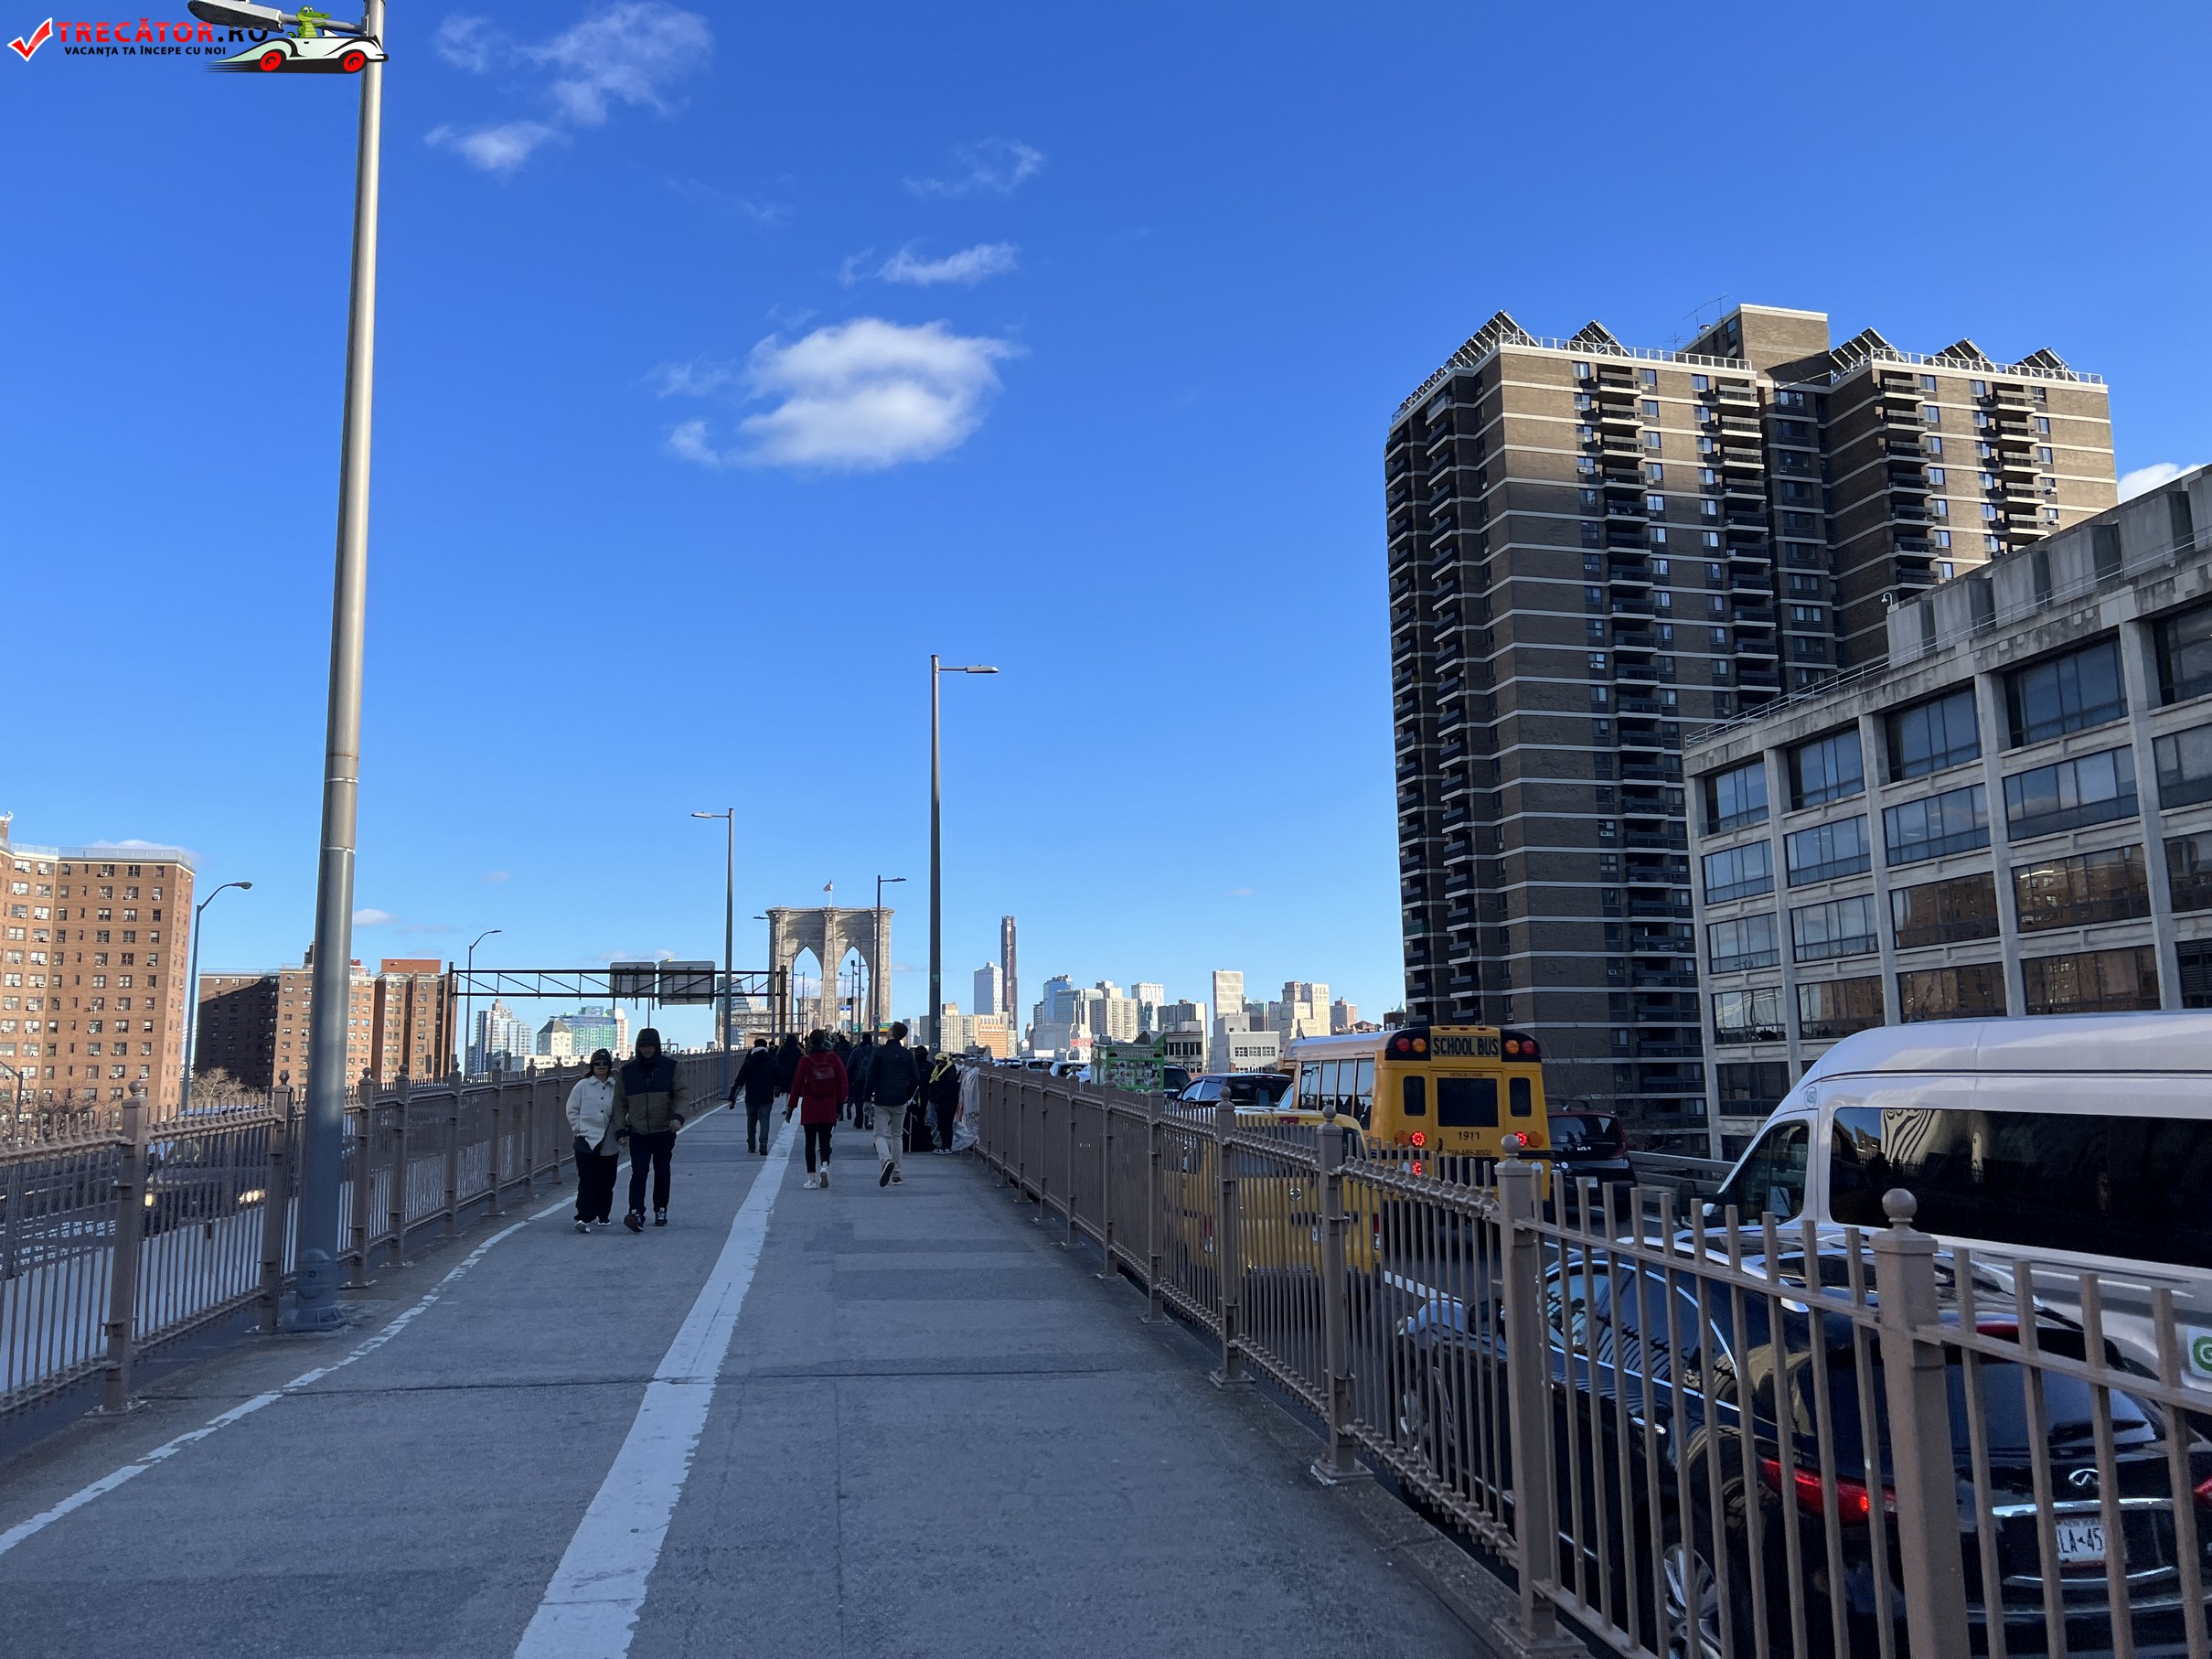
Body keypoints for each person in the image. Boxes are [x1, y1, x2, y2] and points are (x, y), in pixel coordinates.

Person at [615, 1028, 689, 1231]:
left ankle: (661, 1208)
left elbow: (682, 1095)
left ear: (657, 1046)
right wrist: (620, 1130)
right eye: (643, 1046)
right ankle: (636, 1212)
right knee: (639, 1171)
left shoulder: (672, 1068)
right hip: (638, 1130)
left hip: (664, 1129)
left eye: (650, 1046)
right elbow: (619, 1103)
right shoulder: (627, 1072)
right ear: (638, 1047)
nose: (647, 1049)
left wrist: (678, 1117)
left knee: (662, 1170)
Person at [565, 1048, 621, 1230]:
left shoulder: (616, 1087)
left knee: (607, 1180)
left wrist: (622, 1132)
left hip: (609, 1140)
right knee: (587, 1180)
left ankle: (603, 1215)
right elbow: (571, 1109)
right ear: (592, 1066)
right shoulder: (582, 1086)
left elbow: (621, 1111)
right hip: (586, 1140)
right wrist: (579, 1129)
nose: (601, 1066)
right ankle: (584, 1217)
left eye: (604, 1063)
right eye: (597, 1063)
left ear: (609, 1066)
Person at [785, 1030, 847, 1190]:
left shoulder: (806, 1060)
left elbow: (797, 1084)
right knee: (825, 1139)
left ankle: (811, 1179)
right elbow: (842, 1081)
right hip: (828, 1104)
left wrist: (791, 1107)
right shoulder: (833, 1057)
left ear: (810, 1042)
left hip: (810, 1106)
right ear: (824, 1040)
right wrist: (840, 1103)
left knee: (810, 1142)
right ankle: (824, 1166)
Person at [868, 1021, 920, 1186]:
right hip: (900, 1099)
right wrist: (906, 1094)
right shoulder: (907, 1055)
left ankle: (886, 1160)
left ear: (891, 1033)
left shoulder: (879, 1052)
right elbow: (916, 1078)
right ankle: (896, 1174)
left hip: (882, 1098)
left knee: (879, 1135)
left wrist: (866, 1098)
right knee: (897, 1136)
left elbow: (870, 1076)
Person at [730, 1037, 778, 1156]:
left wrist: (732, 1098)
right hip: (766, 1097)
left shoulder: (749, 1062)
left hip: (751, 1097)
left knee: (751, 1121)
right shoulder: (771, 1061)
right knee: (765, 1121)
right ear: (765, 1047)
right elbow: (778, 1078)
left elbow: (739, 1081)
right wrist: (777, 1090)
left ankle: (751, 1145)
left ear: (754, 1047)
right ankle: (763, 1144)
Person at [927, 1051, 961, 1155]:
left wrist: (936, 1098)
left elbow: (947, 1089)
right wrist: (933, 1098)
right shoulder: (939, 1072)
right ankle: (944, 1145)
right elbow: (932, 1085)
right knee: (941, 1125)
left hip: (948, 1103)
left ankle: (947, 1146)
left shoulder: (950, 1073)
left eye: (942, 1062)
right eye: (938, 1062)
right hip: (941, 1103)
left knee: (946, 1125)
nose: (940, 1064)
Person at [846, 1032, 877, 1127]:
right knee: (871, 1100)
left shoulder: (856, 1051)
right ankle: (869, 1120)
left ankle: (859, 1120)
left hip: (858, 1079)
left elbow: (849, 1067)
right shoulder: (876, 1051)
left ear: (862, 1040)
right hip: (873, 1080)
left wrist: (849, 1080)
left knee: (858, 1100)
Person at [773, 1033, 802, 1105]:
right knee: (792, 1090)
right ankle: (791, 1104)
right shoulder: (797, 1050)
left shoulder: (782, 1050)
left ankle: (785, 1106)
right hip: (794, 1073)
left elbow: (778, 1061)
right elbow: (800, 1061)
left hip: (783, 1073)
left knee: (785, 1091)